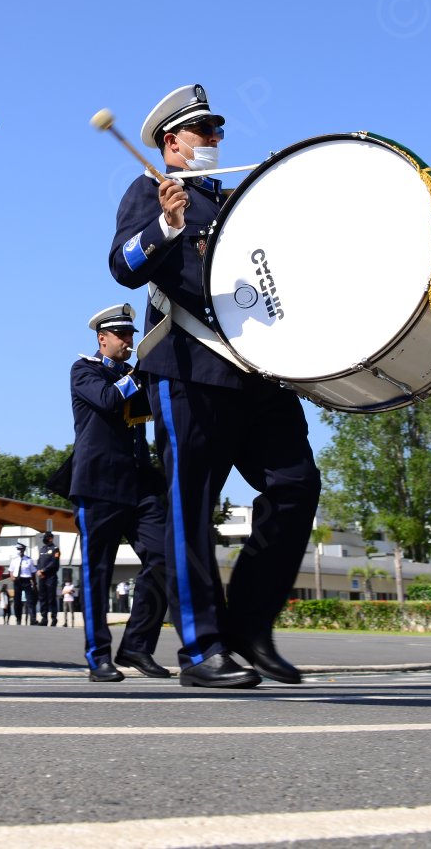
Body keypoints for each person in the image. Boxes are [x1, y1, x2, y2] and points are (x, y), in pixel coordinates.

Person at [111, 84, 319, 688]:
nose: (215, 140)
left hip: (257, 372)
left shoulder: (235, 202)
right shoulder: (148, 192)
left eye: (217, 130)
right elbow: (123, 265)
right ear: (172, 143)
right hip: (188, 367)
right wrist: (168, 227)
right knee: (190, 506)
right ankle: (201, 650)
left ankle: (249, 628)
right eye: (204, 131)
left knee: (296, 483)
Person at [65, 303, 174, 681]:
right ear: (102, 339)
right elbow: (110, 401)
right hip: (98, 486)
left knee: (166, 557)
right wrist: (137, 373)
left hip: (139, 485)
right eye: (122, 336)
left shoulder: (133, 375)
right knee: (98, 574)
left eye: (131, 335)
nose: (129, 341)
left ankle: (137, 646)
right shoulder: (84, 370)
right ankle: (99, 657)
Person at [35, 535, 61, 626]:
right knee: (42, 598)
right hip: (42, 577)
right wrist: (38, 570)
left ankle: (54, 619)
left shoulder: (55, 549)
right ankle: (44, 619)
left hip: (51, 577)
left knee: (51, 598)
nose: (44, 540)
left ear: (50, 538)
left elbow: (54, 563)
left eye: (46, 538)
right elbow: (39, 562)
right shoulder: (42, 549)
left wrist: (44, 570)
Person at [13, 544, 35, 624]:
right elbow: (11, 570)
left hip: (26, 580)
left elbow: (33, 572)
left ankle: (32, 619)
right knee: (17, 602)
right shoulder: (14, 560)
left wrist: (34, 583)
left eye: (21, 550)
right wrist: (12, 577)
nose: (20, 551)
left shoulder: (29, 560)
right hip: (17, 581)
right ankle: (18, 619)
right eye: (18, 549)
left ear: (24, 550)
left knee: (30, 601)